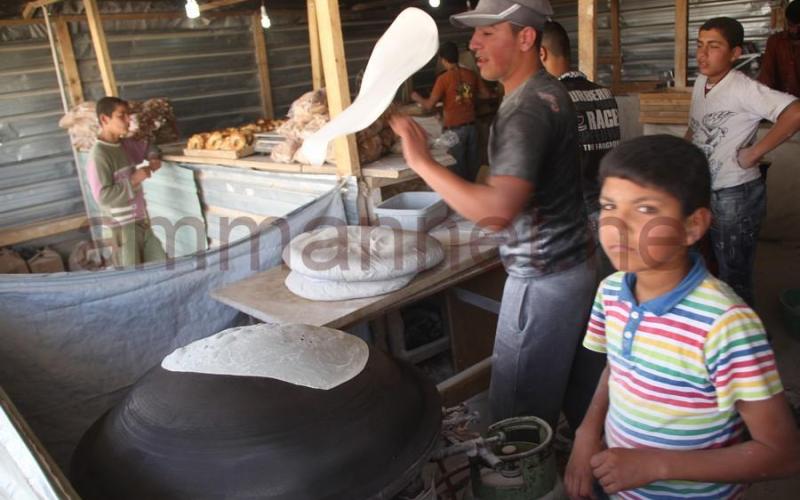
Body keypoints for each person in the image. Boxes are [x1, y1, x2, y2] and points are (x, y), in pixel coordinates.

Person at [391, 0, 597, 430]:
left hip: (542, 279)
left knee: (517, 420)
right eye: (474, 34)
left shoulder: (524, 111)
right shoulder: (550, 90)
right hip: (575, 265)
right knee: (581, 402)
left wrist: (422, 161)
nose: (473, 43)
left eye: (488, 33)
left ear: (525, 38)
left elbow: (496, 213)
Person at [565, 134, 800, 499]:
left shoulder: (726, 325)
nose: (617, 226)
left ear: (692, 226)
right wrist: (586, 432)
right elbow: (620, 366)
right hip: (624, 488)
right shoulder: (611, 292)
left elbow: (783, 454)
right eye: (609, 205)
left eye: (645, 209)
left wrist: (656, 465)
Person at [686, 16, 800, 305]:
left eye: (713, 46)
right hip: (707, 189)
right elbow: (696, 126)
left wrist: (754, 152)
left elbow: (795, 112)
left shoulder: (743, 87)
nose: (702, 53)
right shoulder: (701, 82)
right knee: (707, 265)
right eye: (700, 45)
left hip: (736, 195)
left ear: (735, 53)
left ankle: (746, 341)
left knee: (734, 275)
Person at [87, 96, 166, 267]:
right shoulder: (99, 155)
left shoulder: (124, 145)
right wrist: (134, 180)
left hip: (142, 223)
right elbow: (103, 197)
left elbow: (149, 146)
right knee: (133, 277)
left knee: (162, 267)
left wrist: (153, 158)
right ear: (104, 119)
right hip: (121, 229)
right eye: (121, 115)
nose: (128, 119)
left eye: (128, 115)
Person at [411, 41, 488, 181]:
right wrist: (468, 97)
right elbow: (486, 94)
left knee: (457, 175)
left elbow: (429, 105)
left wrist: (417, 97)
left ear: (443, 59)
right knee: (474, 174)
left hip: (454, 132)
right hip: (472, 128)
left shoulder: (443, 79)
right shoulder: (471, 74)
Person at [757, 0, 800, 98]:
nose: (795, 31)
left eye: (799, 27)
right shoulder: (775, 41)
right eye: (791, 25)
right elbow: (766, 75)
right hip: (780, 102)